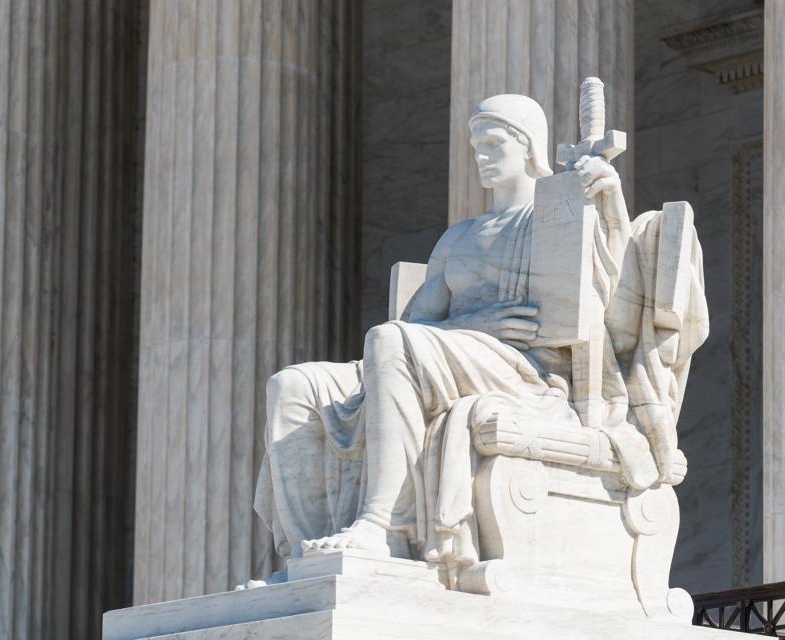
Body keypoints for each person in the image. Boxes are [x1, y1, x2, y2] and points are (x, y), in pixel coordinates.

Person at [248, 95, 636, 588]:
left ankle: (383, 524)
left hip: (528, 374)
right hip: (451, 354)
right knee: (294, 384)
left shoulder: (555, 217)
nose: (481, 156)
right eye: (476, 145)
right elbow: (421, 323)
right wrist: (476, 324)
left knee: (390, 342)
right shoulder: (458, 238)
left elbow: (608, 284)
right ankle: (309, 557)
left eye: (494, 143)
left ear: (529, 147)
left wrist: (607, 203)